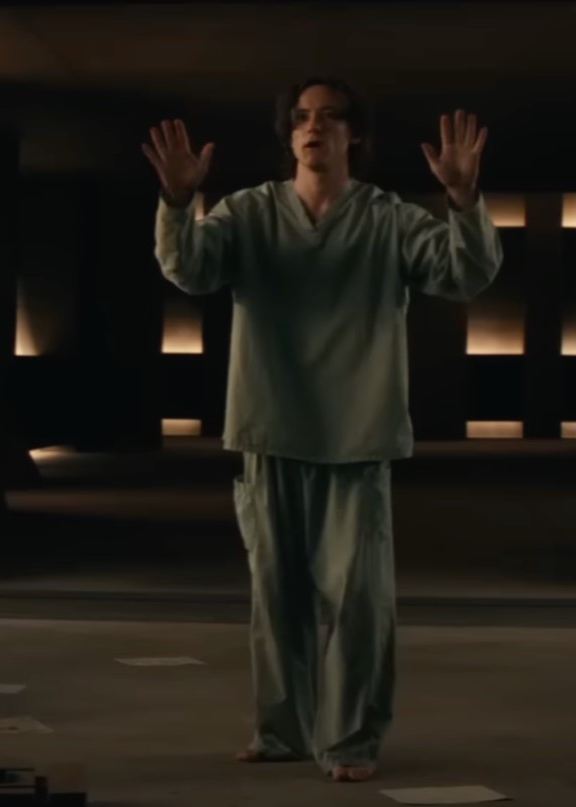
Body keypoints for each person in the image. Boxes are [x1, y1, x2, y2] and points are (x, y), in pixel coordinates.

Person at [143, 77, 503, 783]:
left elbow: (464, 273)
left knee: (358, 601)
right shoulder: (250, 212)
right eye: (303, 118)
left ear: (352, 134)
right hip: (269, 426)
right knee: (276, 598)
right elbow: (190, 268)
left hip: (356, 434)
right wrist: (179, 203)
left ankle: (351, 739)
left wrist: (463, 200)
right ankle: (281, 731)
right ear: (289, 134)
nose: (314, 128)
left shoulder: (386, 218)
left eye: (330, 117)